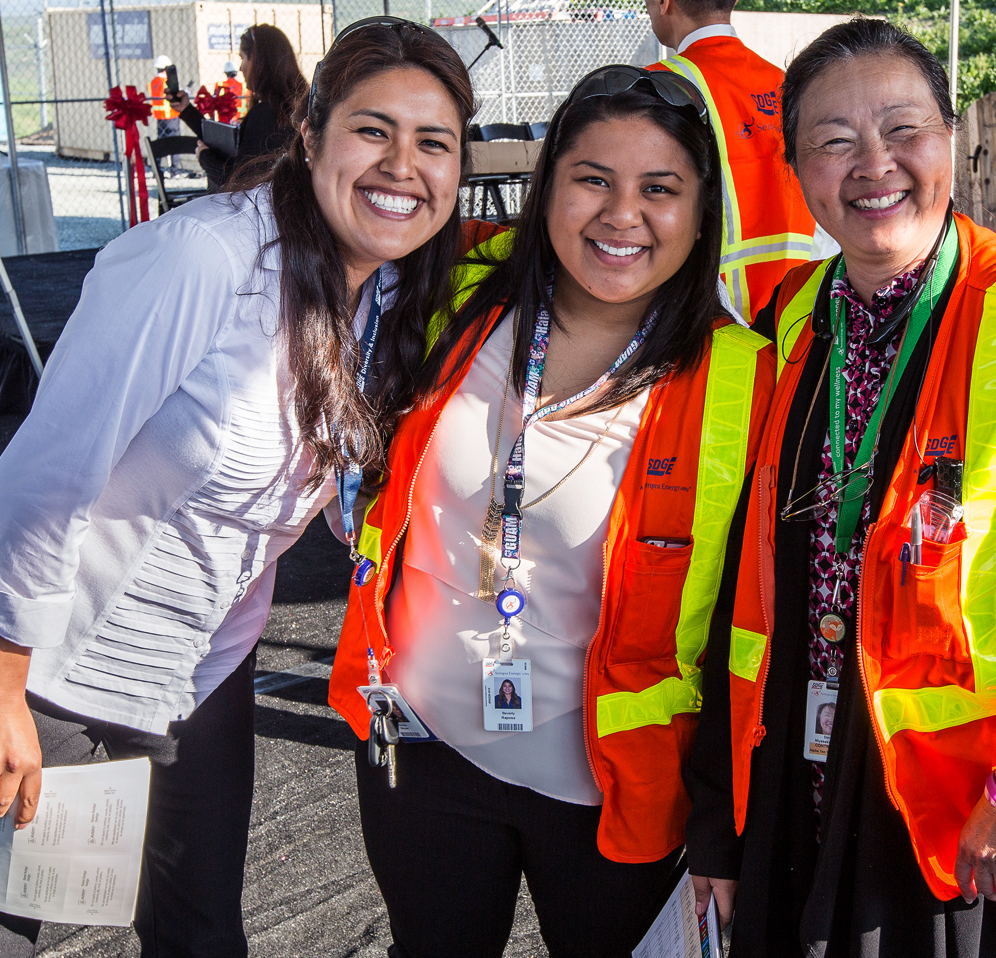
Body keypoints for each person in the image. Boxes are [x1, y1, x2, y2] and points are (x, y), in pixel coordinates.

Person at [684, 17, 996, 958]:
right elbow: (746, 584)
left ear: (951, 141)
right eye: (834, 141)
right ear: (799, 174)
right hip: (842, 782)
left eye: (903, 129)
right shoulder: (790, 322)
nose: (873, 163)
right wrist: (723, 825)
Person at [0, 19, 473, 958]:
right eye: (373, 130)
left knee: (203, 933)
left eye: (434, 142)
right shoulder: (202, 259)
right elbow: (46, 474)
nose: (402, 165)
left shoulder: (388, 294)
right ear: (311, 136)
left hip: (200, 674)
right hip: (52, 669)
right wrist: (4, 685)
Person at [327, 63, 776, 958]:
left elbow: (748, 633)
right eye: (592, 180)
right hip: (422, 751)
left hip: (614, 799)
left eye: (659, 189)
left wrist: (727, 830)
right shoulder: (461, 287)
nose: (621, 216)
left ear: (701, 209)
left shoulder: (745, 377)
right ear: (548, 190)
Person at [645, 0, 815, 320]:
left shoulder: (655, 89)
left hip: (707, 320)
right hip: (800, 311)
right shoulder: (789, 85)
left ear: (664, 3)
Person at [169, 24, 305, 190]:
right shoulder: (301, 107)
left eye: (243, 58)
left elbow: (240, 180)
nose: (241, 67)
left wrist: (205, 158)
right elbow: (225, 144)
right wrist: (187, 110)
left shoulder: (265, 114)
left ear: (259, 62)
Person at [149, 54, 181, 174]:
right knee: (175, 143)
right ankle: (174, 170)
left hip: (160, 118)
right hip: (171, 116)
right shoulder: (167, 82)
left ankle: (157, 169)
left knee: (161, 143)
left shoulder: (153, 82)